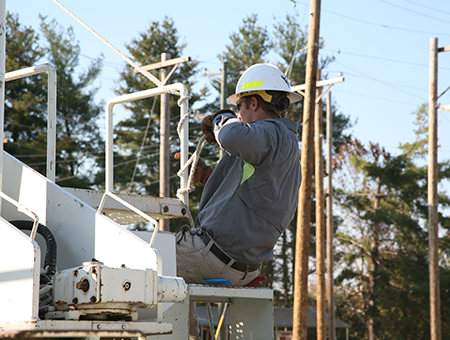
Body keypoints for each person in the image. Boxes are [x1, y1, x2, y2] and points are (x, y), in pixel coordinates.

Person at [175, 63, 302, 339]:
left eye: (240, 107)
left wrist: (221, 118)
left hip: (214, 254)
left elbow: (231, 133)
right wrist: (206, 175)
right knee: (172, 285)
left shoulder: (271, 134)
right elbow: (250, 195)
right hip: (242, 265)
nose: (239, 115)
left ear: (253, 102)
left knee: (143, 262)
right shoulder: (281, 146)